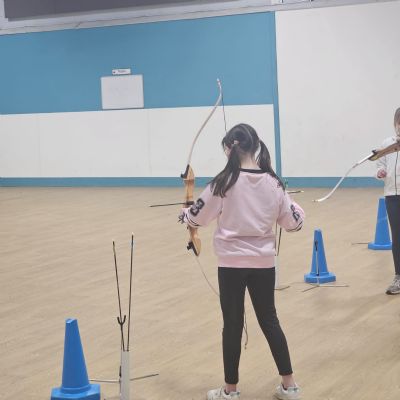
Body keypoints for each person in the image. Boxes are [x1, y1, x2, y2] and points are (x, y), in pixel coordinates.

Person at [180, 123, 305, 400]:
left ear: (229, 148)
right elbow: (294, 223)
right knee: (269, 320)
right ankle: (290, 386)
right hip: (263, 264)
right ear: (255, 146)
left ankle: (231, 390)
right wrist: (292, 203)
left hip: (231, 265)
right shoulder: (273, 182)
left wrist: (185, 214)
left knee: (233, 324)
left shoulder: (223, 182)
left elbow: (196, 217)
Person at [376, 107, 400, 295]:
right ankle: (398, 277)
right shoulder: (387, 144)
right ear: (395, 124)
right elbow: (379, 165)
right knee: (397, 238)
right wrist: (380, 172)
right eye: (399, 124)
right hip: (392, 195)